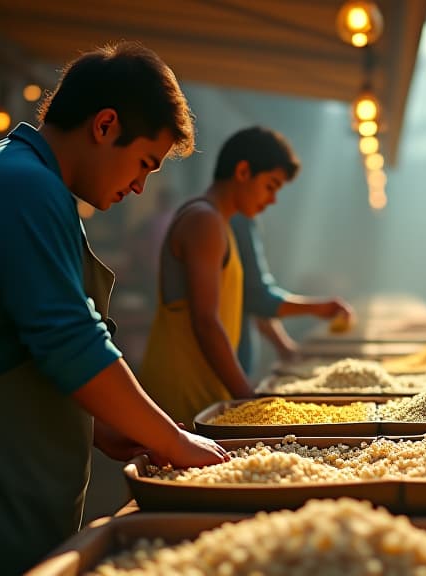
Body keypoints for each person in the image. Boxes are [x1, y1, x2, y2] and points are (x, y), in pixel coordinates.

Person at [0, 42, 229, 576]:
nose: (139, 185)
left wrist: (103, 425)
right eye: (143, 164)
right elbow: (70, 342)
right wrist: (173, 441)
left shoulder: (40, 189)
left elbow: (19, 341)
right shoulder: (21, 186)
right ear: (105, 125)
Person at [141, 127, 352, 426]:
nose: (273, 199)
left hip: (204, 387)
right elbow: (206, 321)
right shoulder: (204, 221)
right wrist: (247, 395)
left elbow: (242, 299)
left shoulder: (223, 224)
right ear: (243, 171)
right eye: (271, 185)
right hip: (182, 389)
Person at [230, 213, 354, 374]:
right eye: (270, 187)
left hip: (239, 365)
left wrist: (284, 347)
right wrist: (318, 308)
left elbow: (250, 296)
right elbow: (258, 297)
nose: (272, 199)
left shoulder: (238, 220)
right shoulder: (233, 221)